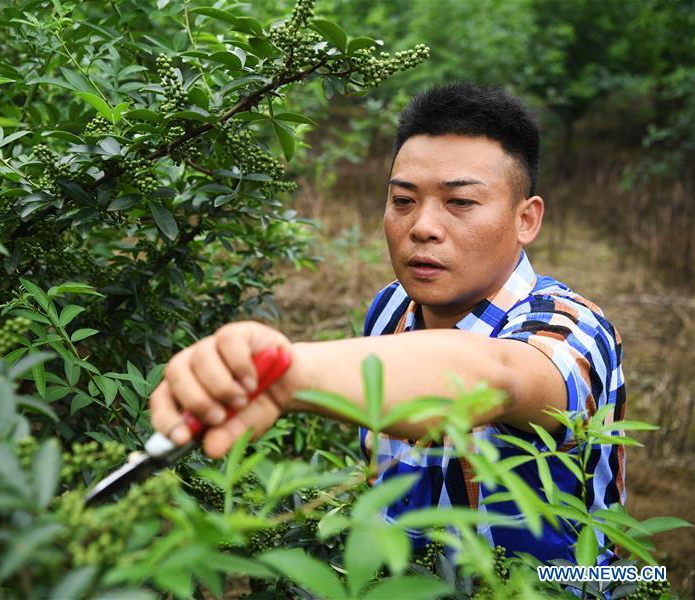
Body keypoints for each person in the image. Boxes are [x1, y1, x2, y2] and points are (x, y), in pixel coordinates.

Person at [149, 82, 626, 565]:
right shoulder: (390, 307)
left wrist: (288, 373)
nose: (422, 226)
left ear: (526, 219)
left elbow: (494, 373)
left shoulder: (571, 326)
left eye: (460, 203)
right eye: (403, 200)